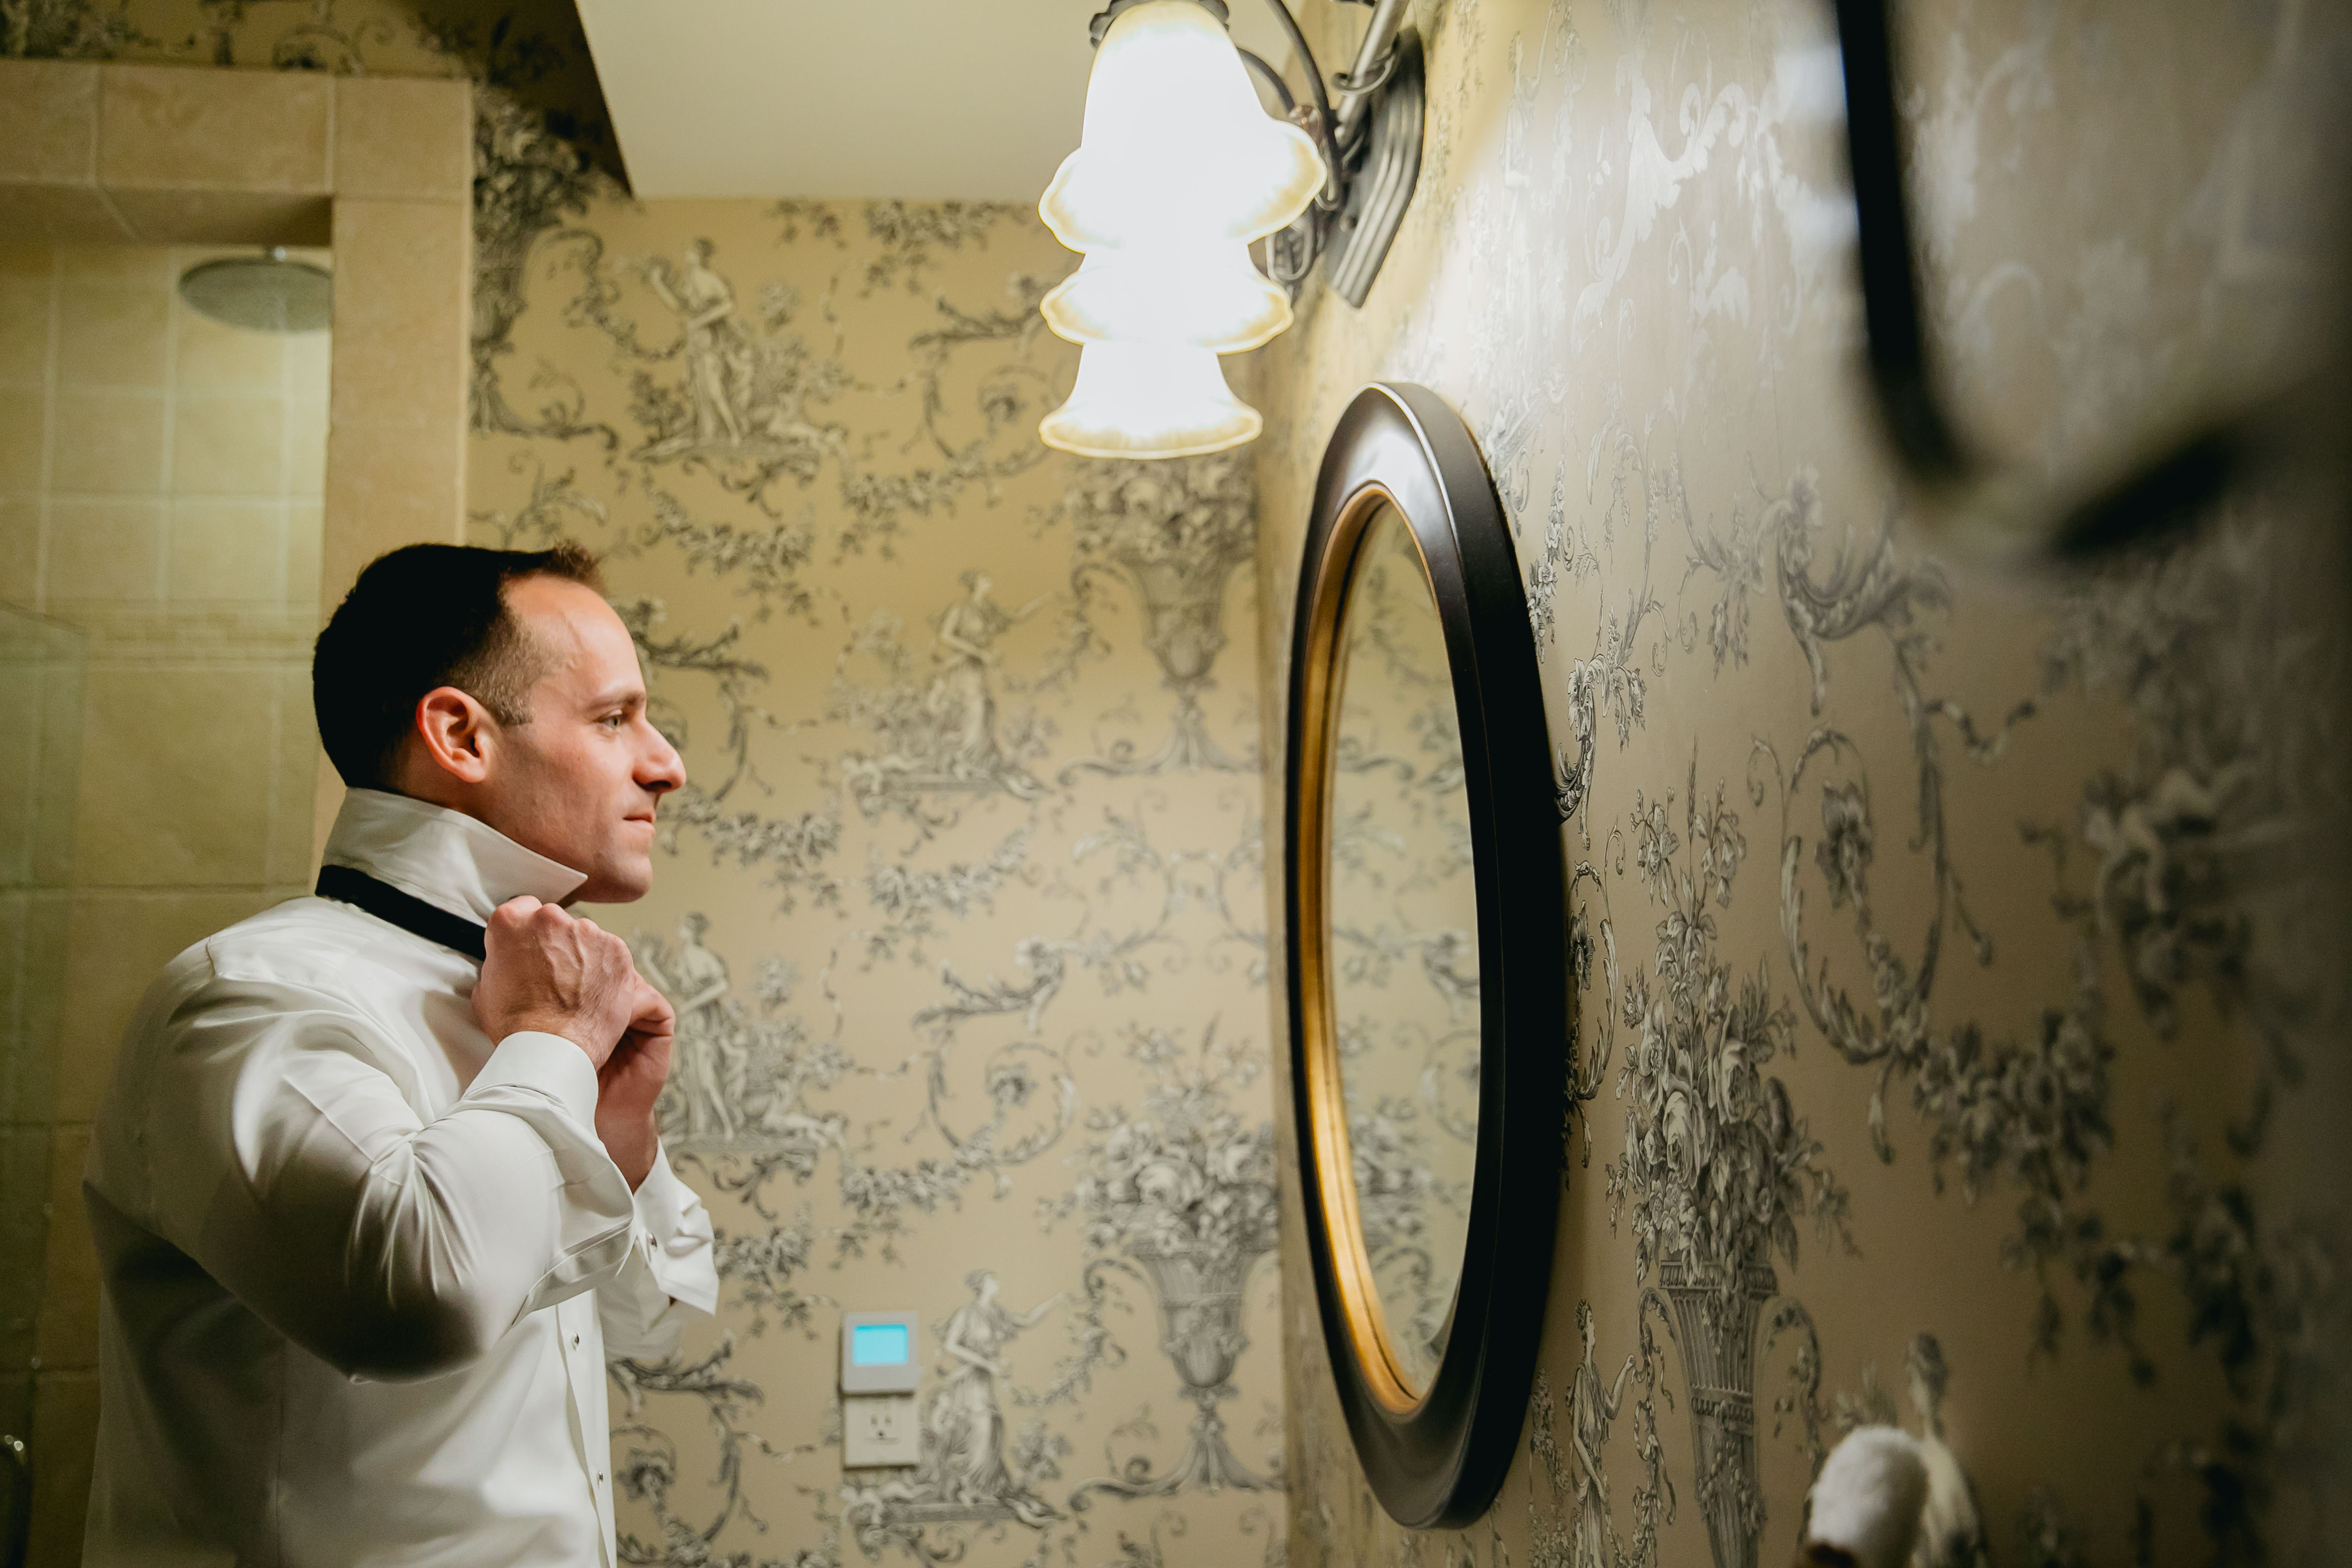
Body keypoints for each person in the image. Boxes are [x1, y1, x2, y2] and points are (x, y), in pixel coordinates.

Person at [80, 542, 720, 1567]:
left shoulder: (545, 1016)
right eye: (614, 717)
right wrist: (550, 1047)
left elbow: (650, 1328)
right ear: (460, 734)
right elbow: (417, 1300)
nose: (667, 763)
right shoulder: (250, 997)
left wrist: (622, 1149)